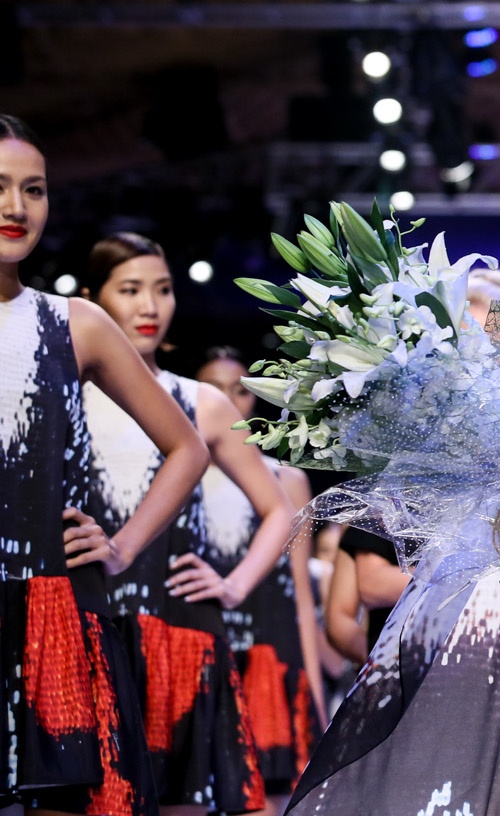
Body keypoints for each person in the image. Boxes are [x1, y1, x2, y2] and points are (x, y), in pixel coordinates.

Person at [1, 113, 208, 816]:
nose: (16, 206)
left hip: (55, 614)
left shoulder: (75, 324)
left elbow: (188, 447)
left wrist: (120, 547)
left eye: (33, 189)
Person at [82, 232, 294, 816]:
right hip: (90, 626)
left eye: (163, 289)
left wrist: (234, 585)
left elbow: (280, 509)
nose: (149, 306)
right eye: (130, 290)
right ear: (91, 300)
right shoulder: (67, 391)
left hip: (179, 631)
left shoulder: (200, 401)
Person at [196, 346, 328, 809]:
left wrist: (314, 691)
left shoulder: (286, 480)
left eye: (239, 390)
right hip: (205, 649)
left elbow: (301, 595)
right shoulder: (180, 468)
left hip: (268, 658)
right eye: (214, 389)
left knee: (269, 796)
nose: (229, 400)